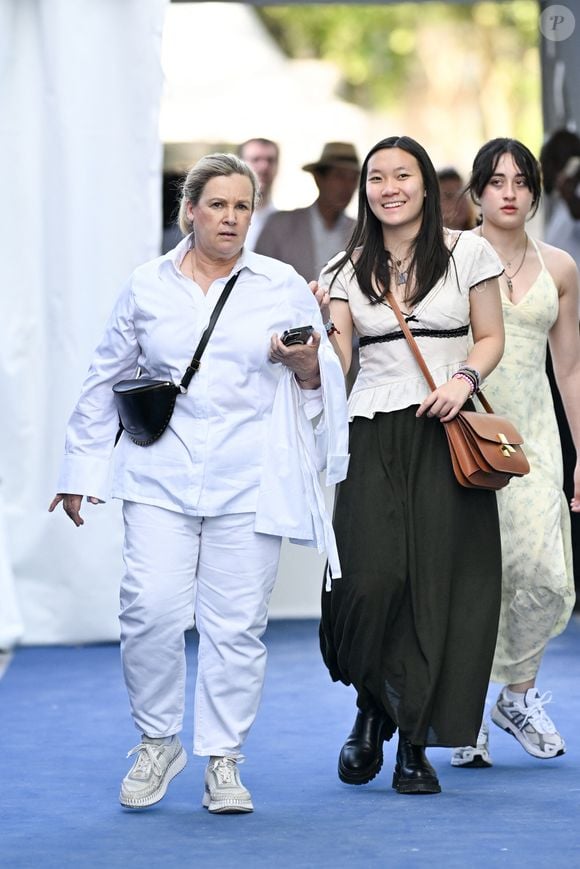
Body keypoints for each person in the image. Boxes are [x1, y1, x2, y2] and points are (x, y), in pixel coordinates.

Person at [49, 153, 349, 814]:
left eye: (243, 205)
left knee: (236, 626)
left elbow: (325, 380)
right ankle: (158, 738)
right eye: (218, 204)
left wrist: (302, 366)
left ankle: (224, 758)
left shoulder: (280, 285)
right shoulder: (146, 285)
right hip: (160, 473)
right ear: (190, 210)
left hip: (249, 477)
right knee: (149, 609)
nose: (231, 217)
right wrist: (80, 470)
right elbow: (107, 378)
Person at [316, 135, 505, 795]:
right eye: (377, 177)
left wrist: (462, 377)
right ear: (365, 189)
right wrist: (303, 353)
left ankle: (412, 743)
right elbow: (337, 362)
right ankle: (375, 701)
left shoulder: (467, 251)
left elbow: (491, 336)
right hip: (371, 431)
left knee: (438, 590)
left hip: (448, 430)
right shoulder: (345, 266)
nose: (389, 186)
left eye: (403, 174)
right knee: (365, 581)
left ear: (426, 183)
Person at [451, 138, 580, 769]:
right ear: (476, 192)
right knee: (475, 578)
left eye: (521, 181)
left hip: (534, 441)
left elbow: (573, 370)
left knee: (548, 578)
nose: (509, 192)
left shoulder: (559, 266)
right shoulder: (447, 257)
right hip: (460, 435)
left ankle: (516, 695)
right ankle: (468, 706)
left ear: (536, 191)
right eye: (496, 180)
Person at [255, 142, 360, 282]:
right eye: (339, 176)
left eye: (353, 178)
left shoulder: (360, 232)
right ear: (319, 178)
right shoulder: (279, 225)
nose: (347, 186)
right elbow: (256, 278)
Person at [237, 137, 279, 251]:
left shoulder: (285, 224)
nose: (264, 167)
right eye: (255, 159)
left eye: (270, 160)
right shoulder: (221, 218)